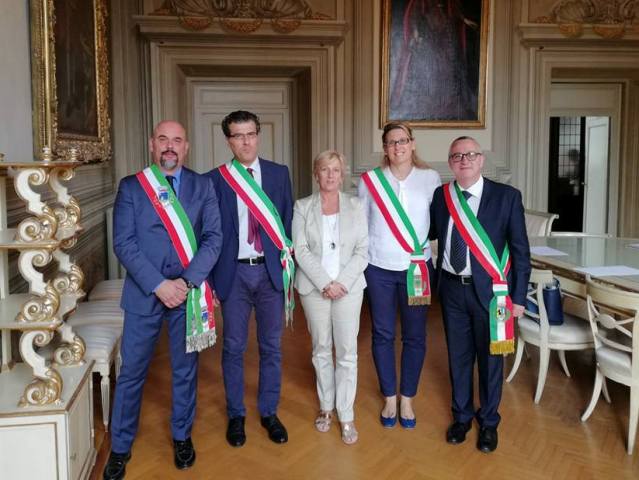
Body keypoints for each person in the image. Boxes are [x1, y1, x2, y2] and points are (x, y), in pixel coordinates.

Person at [104, 120, 222, 480]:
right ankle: (120, 447)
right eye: (163, 139)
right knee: (132, 373)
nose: (170, 146)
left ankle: (182, 436)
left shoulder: (203, 185)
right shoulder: (132, 187)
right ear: (152, 144)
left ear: (186, 147)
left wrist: (185, 282)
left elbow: (213, 238)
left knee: (185, 370)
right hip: (145, 294)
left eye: (177, 140)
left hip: (187, 295)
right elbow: (123, 243)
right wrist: (159, 285)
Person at [429, 136, 530, 453]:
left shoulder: (507, 197)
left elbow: (521, 252)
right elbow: (429, 233)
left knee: (491, 359)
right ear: (450, 163)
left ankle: (488, 422)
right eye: (457, 156)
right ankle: (461, 417)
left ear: (482, 159)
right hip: (451, 289)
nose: (464, 160)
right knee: (458, 357)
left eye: (471, 154)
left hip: (493, 295)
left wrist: (519, 298)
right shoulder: (442, 196)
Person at [207, 110, 294, 448]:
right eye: (238, 136)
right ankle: (236, 414)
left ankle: (269, 412)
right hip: (234, 274)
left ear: (258, 135)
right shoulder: (215, 180)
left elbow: (286, 222)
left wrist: (287, 266)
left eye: (250, 134)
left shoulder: (278, 174)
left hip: (270, 273)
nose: (245, 142)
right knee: (233, 347)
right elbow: (208, 234)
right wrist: (211, 281)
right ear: (228, 140)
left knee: (271, 346)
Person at [358, 122, 441, 429]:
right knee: (382, 334)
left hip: (417, 270)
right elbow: (361, 225)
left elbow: (437, 223)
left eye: (403, 140)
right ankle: (389, 397)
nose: (398, 147)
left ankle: (407, 398)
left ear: (412, 143)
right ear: (385, 148)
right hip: (378, 268)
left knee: (415, 335)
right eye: (391, 142)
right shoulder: (370, 181)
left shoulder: (430, 178)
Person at [293, 150, 368, 445]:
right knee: (321, 348)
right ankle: (326, 407)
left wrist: (341, 283)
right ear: (316, 174)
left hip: (349, 288)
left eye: (336, 169)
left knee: (347, 351)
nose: (330, 175)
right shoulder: (302, 206)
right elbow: (300, 250)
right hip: (315, 289)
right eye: (324, 169)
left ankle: (346, 413)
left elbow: (362, 250)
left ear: (343, 173)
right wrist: (326, 283)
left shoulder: (356, 205)